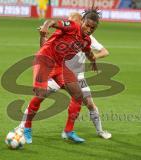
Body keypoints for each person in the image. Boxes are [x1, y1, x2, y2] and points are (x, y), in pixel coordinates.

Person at [16, 7, 101, 144]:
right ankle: (27, 127)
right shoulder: (72, 26)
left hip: (60, 66)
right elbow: (51, 22)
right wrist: (44, 27)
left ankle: (68, 131)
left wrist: (94, 61)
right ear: (82, 22)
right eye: (87, 25)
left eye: (93, 28)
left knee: (78, 95)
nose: (89, 29)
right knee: (41, 94)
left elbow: (88, 52)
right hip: (44, 60)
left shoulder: (86, 41)